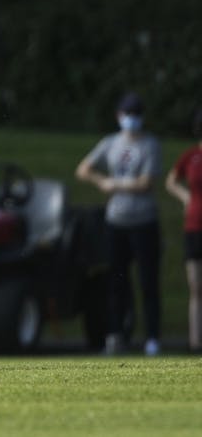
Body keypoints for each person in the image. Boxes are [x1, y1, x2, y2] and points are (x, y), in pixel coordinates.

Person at [75, 91, 163, 356]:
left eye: (136, 114)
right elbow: (83, 169)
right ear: (119, 115)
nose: (131, 119)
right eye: (128, 114)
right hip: (116, 221)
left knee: (148, 281)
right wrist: (102, 181)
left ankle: (152, 339)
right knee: (116, 282)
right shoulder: (110, 143)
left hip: (144, 222)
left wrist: (116, 184)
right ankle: (115, 335)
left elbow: (146, 182)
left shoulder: (150, 145)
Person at [164, 107, 202, 352]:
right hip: (195, 226)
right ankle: (195, 341)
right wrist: (185, 197)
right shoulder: (191, 157)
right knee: (195, 286)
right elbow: (171, 181)